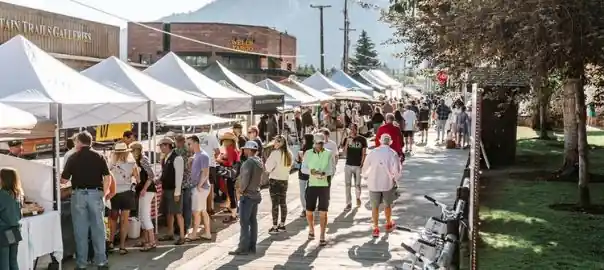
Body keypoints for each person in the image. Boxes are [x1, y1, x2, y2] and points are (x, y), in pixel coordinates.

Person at [61, 131, 110, 269]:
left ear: (78, 142)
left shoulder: (72, 157)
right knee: (98, 230)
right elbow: (107, 177)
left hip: (78, 195)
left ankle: (82, 263)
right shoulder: (100, 157)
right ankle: (101, 261)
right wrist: (104, 194)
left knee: (80, 231)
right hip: (96, 194)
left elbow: (64, 180)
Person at [228, 141, 263, 255]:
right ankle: (252, 246)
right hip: (255, 194)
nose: (243, 151)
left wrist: (240, 190)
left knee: (244, 222)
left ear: (248, 150)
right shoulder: (259, 161)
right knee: (253, 222)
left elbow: (245, 180)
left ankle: (243, 247)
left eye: (245, 149)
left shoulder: (248, 163)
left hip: (247, 195)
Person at [362, 134, 400, 238]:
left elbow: (365, 166)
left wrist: (365, 176)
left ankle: (375, 227)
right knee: (387, 205)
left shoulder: (373, 152)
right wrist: (395, 179)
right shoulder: (393, 153)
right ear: (390, 142)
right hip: (387, 183)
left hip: (373, 183)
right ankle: (388, 223)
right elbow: (396, 170)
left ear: (380, 141)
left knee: (375, 207)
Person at [301, 133, 333, 247]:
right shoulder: (308, 153)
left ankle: (322, 235)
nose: (320, 145)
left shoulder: (328, 153)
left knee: (323, 211)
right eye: (318, 143)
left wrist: (324, 173)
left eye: (321, 143)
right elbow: (303, 169)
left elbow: (331, 169)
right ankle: (311, 229)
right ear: (314, 143)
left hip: (324, 185)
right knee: (309, 210)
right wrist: (312, 172)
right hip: (312, 185)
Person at [107, 142, 138, 255]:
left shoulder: (111, 164)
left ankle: (110, 242)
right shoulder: (132, 164)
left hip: (114, 193)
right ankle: (122, 246)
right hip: (127, 193)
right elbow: (137, 179)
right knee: (125, 220)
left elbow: (106, 178)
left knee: (113, 219)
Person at [157, 137, 187, 245]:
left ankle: (182, 236)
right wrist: (159, 179)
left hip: (174, 189)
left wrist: (177, 192)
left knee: (178, 213)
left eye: (162, 146)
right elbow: (165, 173)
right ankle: (170, 233)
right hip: (167, 189)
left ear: (167, 145)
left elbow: (179, 176)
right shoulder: (166, 158)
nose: (161, 148)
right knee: (169, 213)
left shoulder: (177, 158)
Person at [130, 142, 157, 252]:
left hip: (147, 190)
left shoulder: (142, 159)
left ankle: (151, 241)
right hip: (143, 190)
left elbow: (151, 175)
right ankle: (146, 240)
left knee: (145, 216)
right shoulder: (138, 160)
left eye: (131, 150)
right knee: (142, 215)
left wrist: (145, 189)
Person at [265, 135, 293, 234]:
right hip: (284, 180)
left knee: (275, 204)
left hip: (275, 180)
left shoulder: (275, 153)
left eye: (276, 142)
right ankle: (282, 225)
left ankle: (274, 226)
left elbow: (268, 168)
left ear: (281, 143)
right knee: (283, 203)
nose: (274, 144)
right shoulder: (289, 154)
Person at [186, 135, 212, 241]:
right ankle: (207, 232)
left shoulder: (203, 155)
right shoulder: (197, 155)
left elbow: (206, 172)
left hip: (201, 188)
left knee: (196, 211)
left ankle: (194, 234)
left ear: (196, 143)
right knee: (202, 211)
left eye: (189, 143)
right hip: (200, 187)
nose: (188, 146)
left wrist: (199, 185)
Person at [340, 124, 367, 211]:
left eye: (354, 129)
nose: (352, 131)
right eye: (351, 129)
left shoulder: (362, 139)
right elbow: (344, 153)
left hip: (358, 165)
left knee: (357, 184)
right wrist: (347, 142)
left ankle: (358, 197)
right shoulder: (347, 139)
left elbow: (364, 152)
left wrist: (362, 163)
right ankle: (348, 203)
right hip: (348, 164)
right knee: (347, 185)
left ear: (357, 129)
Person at [0, 168, 23, 270]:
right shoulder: (18, 194)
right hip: (14, 231)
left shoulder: (2, 195)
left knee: (4, 264)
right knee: (13, 261)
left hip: (3, 231)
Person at [218, 132, 241, 224]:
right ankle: (234, 213)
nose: (223, 142)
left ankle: (233, 215)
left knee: (231, 194)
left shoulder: (230, 148)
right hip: (235, 174)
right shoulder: (234, 149)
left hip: (230, 174)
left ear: (228, 141)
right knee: (233, 194)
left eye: (224, 140)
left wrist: (220, 160)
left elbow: (230, 164)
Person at [199, 131, 221, 216]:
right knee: (210, 187)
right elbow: (218, 151)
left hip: (200, 165)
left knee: (201, 187)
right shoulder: (212, 137)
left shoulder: (196, 136)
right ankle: (209, 208)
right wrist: (213, 157)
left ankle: (202, 209)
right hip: (210, 164)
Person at [296, 134, 314, 218]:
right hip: (311, 172)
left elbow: (300, 161)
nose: (302, 140)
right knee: (310, 191)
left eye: (303, 139)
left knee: (303, 192)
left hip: (304, 172)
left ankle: (305, 209)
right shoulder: (314, 149)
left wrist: (300, 156)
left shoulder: (304, 149)